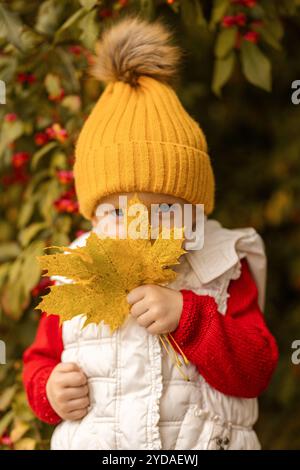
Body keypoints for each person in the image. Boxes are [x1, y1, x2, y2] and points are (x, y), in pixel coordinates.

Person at [23, 15, 278, 450]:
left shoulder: (221, 266)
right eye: (119, 211)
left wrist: (191, 317)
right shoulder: (78, 272)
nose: (142, 224)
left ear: (196, 208)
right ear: (93, 216)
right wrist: (48, 390)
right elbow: (39, 360)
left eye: (164, 209)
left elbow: (256, 370)